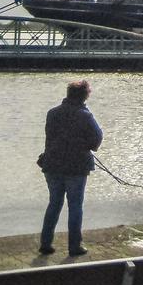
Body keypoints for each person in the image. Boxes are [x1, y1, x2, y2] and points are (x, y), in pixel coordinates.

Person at [38, 80, 103, 257]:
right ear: (84, 96)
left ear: (68, 94)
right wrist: (87, 146)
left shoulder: (52, 113)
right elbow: (97, 138)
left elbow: (50, 137)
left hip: (52, 165)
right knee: (75, 206)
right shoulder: (85, 115)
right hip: (76, 167)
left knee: (54, 203)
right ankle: (74, 247)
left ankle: (46, 243)